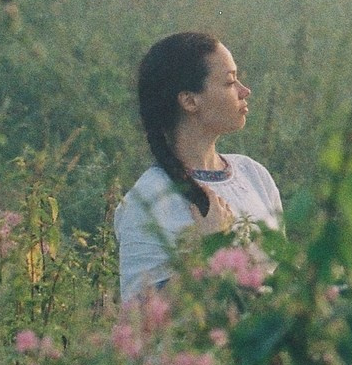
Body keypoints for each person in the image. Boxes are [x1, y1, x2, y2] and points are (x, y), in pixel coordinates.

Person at [114, 31, 284, 300]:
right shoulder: (147, 200)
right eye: (230, 82)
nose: (244, 91)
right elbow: (139, 323)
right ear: (190, 101)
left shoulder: (255, 176)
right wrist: (208, 251)